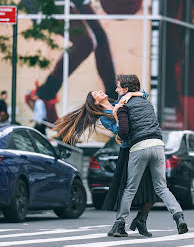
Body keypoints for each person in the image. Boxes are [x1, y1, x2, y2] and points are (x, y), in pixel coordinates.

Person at [53, 89, 158, 237]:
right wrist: (119, 118)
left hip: (142, 146)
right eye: (96, 93)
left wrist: (130, 95)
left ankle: (141, 219)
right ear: (96, 102)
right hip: (128, 151)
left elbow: (144, 95)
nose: (100, 91)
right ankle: (119, 224)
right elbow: (120, 130)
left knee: (152, 188)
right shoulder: (104, 117)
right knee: (126, 190)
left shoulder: (120, 101)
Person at [109, 74, 188, 237]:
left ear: (125, 89)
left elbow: (124, 130)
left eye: (118, 87)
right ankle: (179, 217)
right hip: (158, 146)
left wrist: (118, 135)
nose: (116, 89)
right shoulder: (146, 102)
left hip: (140, 146)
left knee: (130, 188)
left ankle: (119, 224)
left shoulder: (123, 105)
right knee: (161, 187)